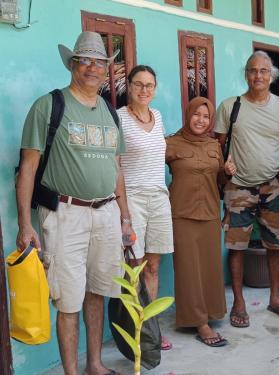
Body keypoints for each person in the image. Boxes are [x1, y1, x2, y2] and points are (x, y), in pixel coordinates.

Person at [16, 31, 133, 375]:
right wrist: (26, 226)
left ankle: (94, 364)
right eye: (85, 61)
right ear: (72, 64)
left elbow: (117, 168)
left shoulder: (110, 113)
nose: (93, 68)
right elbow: (28, 168)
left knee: (97, 292)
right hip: (65, 215)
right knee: (68, 300)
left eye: (100, 62)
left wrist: (125, 218)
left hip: (107, 212)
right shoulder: (49, 105)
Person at [215, 51, 279, 327]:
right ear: (245, 73)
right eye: (252, 70)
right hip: (238, 187)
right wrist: (223, 165)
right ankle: (238, 303)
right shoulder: (230, 106)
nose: (258, 76)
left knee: (276, 245)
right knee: (236, 246)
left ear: (271, 74)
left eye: (263, 70)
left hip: (274, 186)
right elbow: (218, 145)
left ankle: (275, 298)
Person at [166, 96, 236, 347]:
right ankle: (199, 323)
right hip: (181, 213)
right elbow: (148, 171)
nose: (201, 120)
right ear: (188, 115)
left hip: (209, 214)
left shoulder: (214, 146)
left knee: (209, 267)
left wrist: (227, 173)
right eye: (197, 114)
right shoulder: (170, 143)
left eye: (206, 117)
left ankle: (211, 313)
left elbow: (219, 182)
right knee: (187, 269)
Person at [117, 65, 174, 351]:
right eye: (138, 84)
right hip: (133, 200)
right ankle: (135, 333)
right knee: (134, 268)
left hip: (159, 198)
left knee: (153, 266)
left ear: (155, 88)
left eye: (149, 85)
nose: (143, 90)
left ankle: (150, 330)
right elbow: (115, 167)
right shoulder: (118, 119)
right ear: (129, 85)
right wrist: (123, 213)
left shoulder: (159, 117)